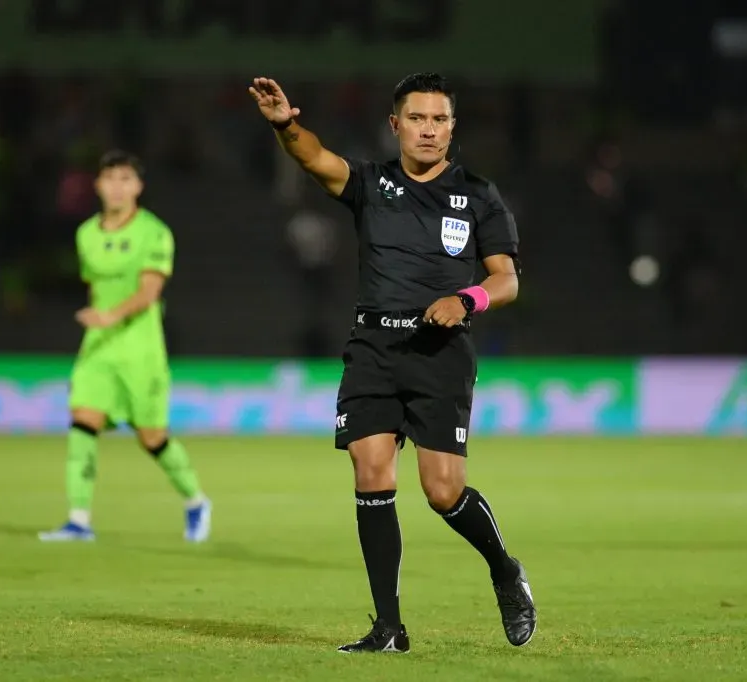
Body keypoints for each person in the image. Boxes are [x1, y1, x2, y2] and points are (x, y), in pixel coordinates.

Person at [249, 73, 535, 653]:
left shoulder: (479, 194)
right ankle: (389, 628)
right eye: (418, 119)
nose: (428, 130)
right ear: (395, 125)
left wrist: (467, 299)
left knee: (442, 491)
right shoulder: (371, 183)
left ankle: (504, 570)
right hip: (374, 349)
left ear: (452, 127)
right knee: (371, 472)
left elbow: (505, 280)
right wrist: (285, 125)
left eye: (439, 120)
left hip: (439, 355)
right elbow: (315, 159)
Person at [39, 150, 211, 543]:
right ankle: (79, 520)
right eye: (109, 178)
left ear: (138, 186)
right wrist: (101, 322)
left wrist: (109, 316)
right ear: (97, 185)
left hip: (141, 349)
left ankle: (195, 501)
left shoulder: (155, 232)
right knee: (83, 421)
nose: (117, 187)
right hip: (98, 348)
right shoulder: (86, 234)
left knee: (151, 437)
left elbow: (149, 292)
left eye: (125, 179)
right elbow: (96, 286)